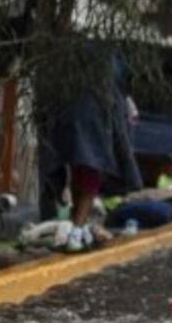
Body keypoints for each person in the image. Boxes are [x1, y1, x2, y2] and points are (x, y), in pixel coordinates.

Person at [37, 53, 143, 251]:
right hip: (90, 120)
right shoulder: (104, 59)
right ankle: (77, 227)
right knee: (87, 171)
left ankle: (77, 226)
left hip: (81, 119)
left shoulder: (93, 59)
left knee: (83, 171)